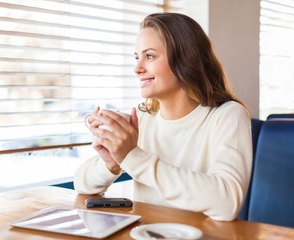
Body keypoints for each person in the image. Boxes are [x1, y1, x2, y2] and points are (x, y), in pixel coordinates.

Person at [74, 12, 252, 221]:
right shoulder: (142, 118)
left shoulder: (228, 115)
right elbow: (82, 184)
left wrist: (132, 157)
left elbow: (226, 203)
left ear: (186, 59)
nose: (137, 68)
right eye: (136, 57)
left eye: (149, 56)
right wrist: (112, 162)